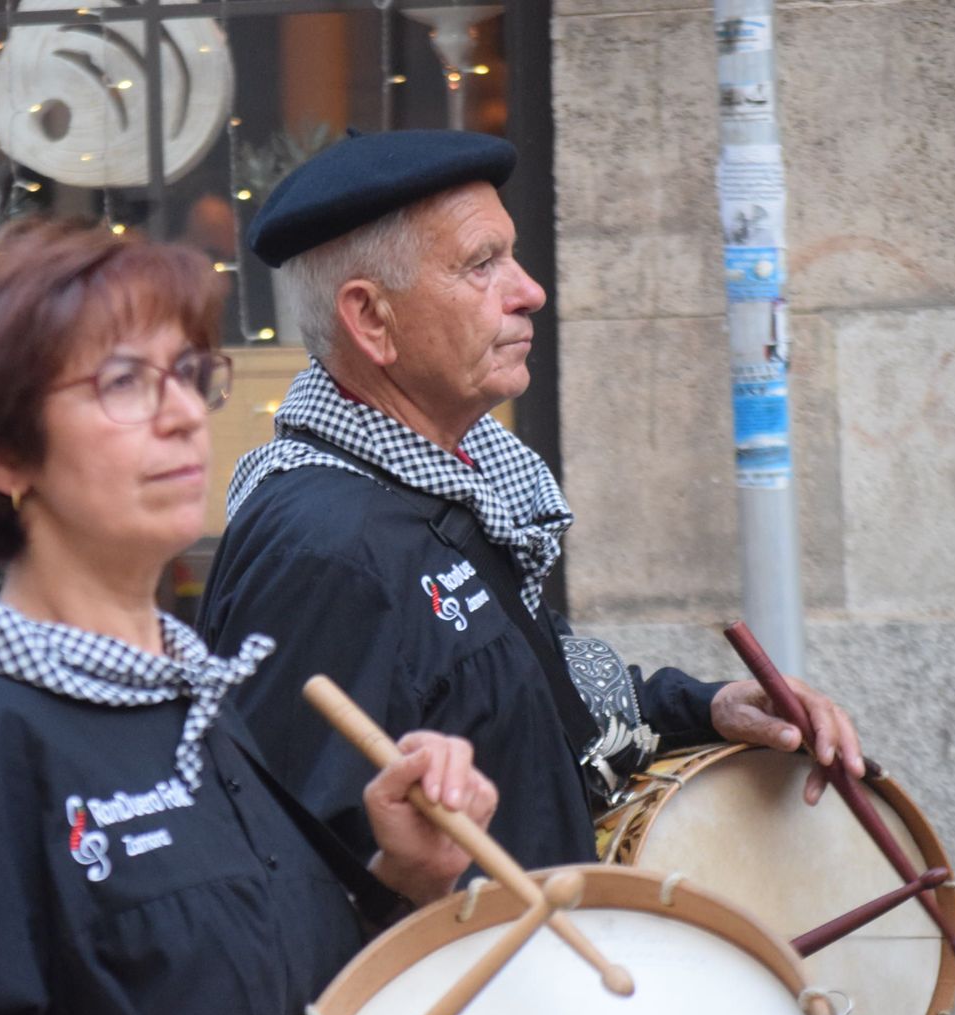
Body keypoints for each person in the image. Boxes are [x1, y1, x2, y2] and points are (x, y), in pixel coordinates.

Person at [0, 218, 497, 1015]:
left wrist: (406, 879)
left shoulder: (186, 697)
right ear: (2, 454)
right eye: (124, 383)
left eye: (190, 375)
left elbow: (267, 999)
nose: (180, 416)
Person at [197, 128, 864, 871]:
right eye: (482, 265)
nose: (530, 291)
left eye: (509, 255)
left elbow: (527, 708)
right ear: (371, 320)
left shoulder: (447, 481)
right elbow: (289, 867)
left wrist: (700, 708)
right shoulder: (327, 547)